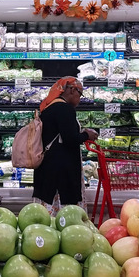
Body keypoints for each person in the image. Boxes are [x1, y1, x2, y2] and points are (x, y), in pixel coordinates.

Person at [32, 77, 98, 216]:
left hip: (48, 168)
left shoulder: (50, 107)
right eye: (80, 94)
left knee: (46, 211)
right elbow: (70, 139)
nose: (80, 99)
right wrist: (87, 135)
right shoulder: (64, 108)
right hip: (60, 171)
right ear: (72, 90)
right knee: (64, 214)